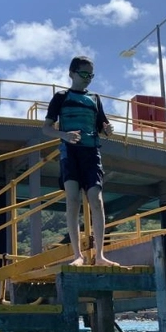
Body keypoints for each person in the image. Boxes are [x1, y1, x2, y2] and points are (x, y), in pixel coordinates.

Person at [42, 56, 117, 267]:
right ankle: (78, 255)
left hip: (91, 152)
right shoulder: (61, 97)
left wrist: (108, 130)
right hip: (70, 153)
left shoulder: (95, 98)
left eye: (91, 75)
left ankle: (100, 255)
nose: (88, 79)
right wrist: (64, 135)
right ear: (72, 73)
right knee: (73, 200)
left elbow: (103, 126)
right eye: (84, 74)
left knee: (96, 199)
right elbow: (46, 128)